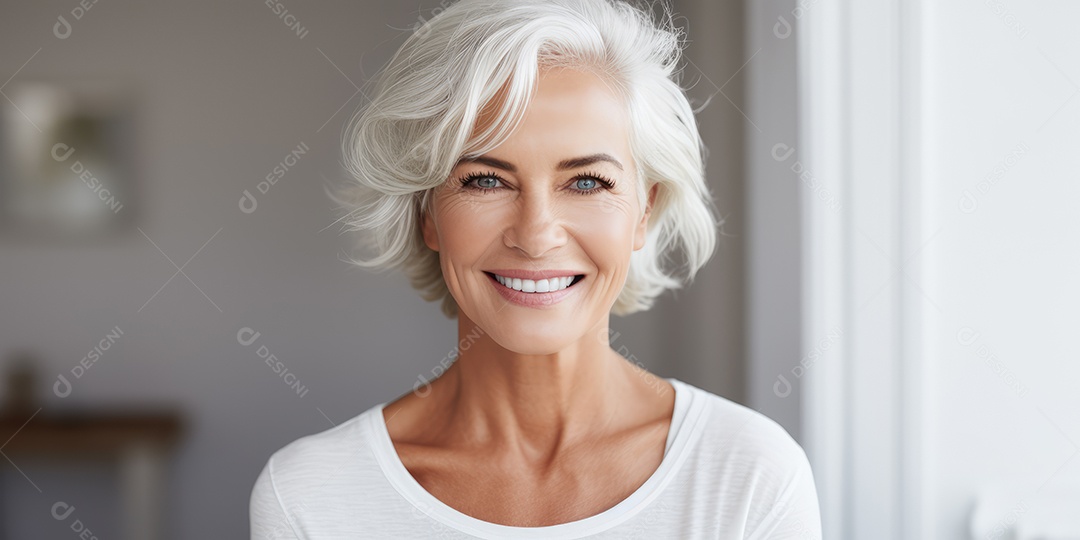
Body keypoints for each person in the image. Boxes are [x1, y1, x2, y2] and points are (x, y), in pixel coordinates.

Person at [250, 0, 822, 538]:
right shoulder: (309, 496)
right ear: (427, 212)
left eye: (587, 182)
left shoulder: (751, 476)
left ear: (644, 210)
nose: (536, 235)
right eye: (486, 180)